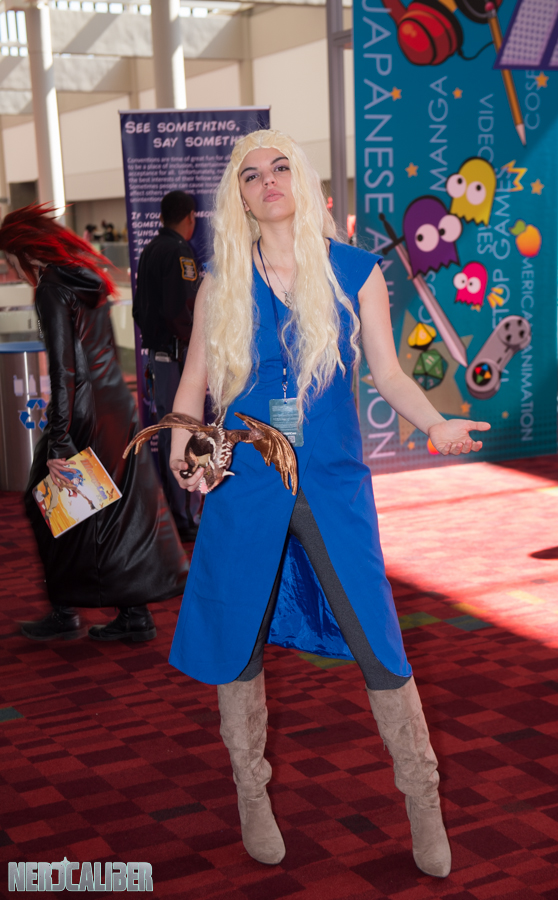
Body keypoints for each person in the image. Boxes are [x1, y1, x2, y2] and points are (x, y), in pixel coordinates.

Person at [164, 130, 491, 878]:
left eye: (280, 167)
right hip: (244, 480)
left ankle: (423, 799)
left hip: (334, 484)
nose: (268, 180)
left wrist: (434, 421)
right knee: (237, 644)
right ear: (240, 198)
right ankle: (251, 794)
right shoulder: (221, 283)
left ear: (301, 180)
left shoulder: (355, 270)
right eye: (252, 174)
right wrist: (181, 443)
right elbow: (195, 381)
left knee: (379, 644)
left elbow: (389, 373)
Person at [0, 204, 189, 643]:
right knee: (112, 510)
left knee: (47, 504)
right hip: (114, 407)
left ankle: (66, 609)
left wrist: (59, 441)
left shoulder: (51, 288)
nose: (11, 269)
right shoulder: (87, 278)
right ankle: (132, 614)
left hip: (83, 413)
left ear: (24, 252)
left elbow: (64, 370)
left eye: (10, 260)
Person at [133, 190, 202, 542]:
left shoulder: (149, 250)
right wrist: (196, 346)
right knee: (183, 431)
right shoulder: (179, 252)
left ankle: (176, 510)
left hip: (158, 357)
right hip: (177, 357)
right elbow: (181, 311)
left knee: (169, 432)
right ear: (190, 217)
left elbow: (139, 310)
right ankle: (186, 514)